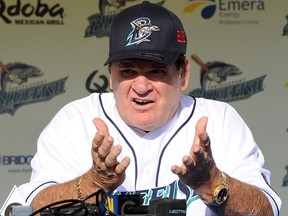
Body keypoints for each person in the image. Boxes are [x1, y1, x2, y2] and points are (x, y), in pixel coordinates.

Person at [19, 1, 281, 215]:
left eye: (156, 71)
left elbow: (267, 209)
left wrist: (212, 183)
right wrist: (93, 183)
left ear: (184, 72)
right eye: (128, 71)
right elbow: (32, 208)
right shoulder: (76, 119)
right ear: (111, 76)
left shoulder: (219, 120)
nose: (141, 86)